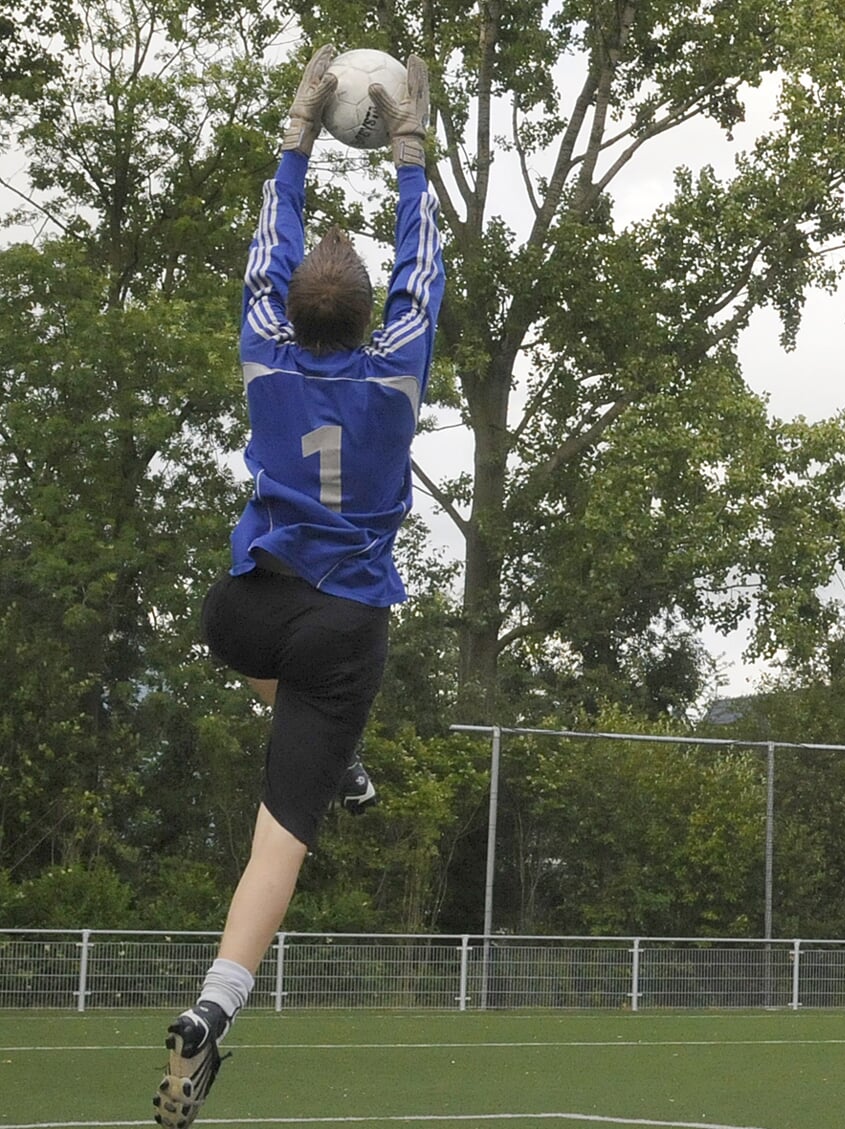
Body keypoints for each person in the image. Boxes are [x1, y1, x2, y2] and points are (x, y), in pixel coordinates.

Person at [154, 44, 442, 1129]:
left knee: (226, 629)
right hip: (341, 627)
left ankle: (341, 759)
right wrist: (409, 151)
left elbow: (270, 252)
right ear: (371, 317)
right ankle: (211, 1012)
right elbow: (421, 263)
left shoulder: (264, 348)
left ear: (289, 305)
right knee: (280, 837)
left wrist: (294, 138)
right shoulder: (398, 362)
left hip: (249, 606)